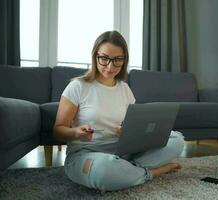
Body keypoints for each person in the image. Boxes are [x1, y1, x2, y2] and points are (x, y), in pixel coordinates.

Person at [53, 31, 185, 193]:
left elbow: (132, 124)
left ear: (124, 60)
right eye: (104, 58)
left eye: (117, 60)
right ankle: (150, 172)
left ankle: (125, 172)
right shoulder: (77, 87)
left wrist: (128, 132)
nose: (110, 66)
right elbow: (58, 129)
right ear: (95, 56)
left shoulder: (124, 89)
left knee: (176, 139)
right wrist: (76, 133)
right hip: (85, 153)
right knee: (104, 169)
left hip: (123, 151)